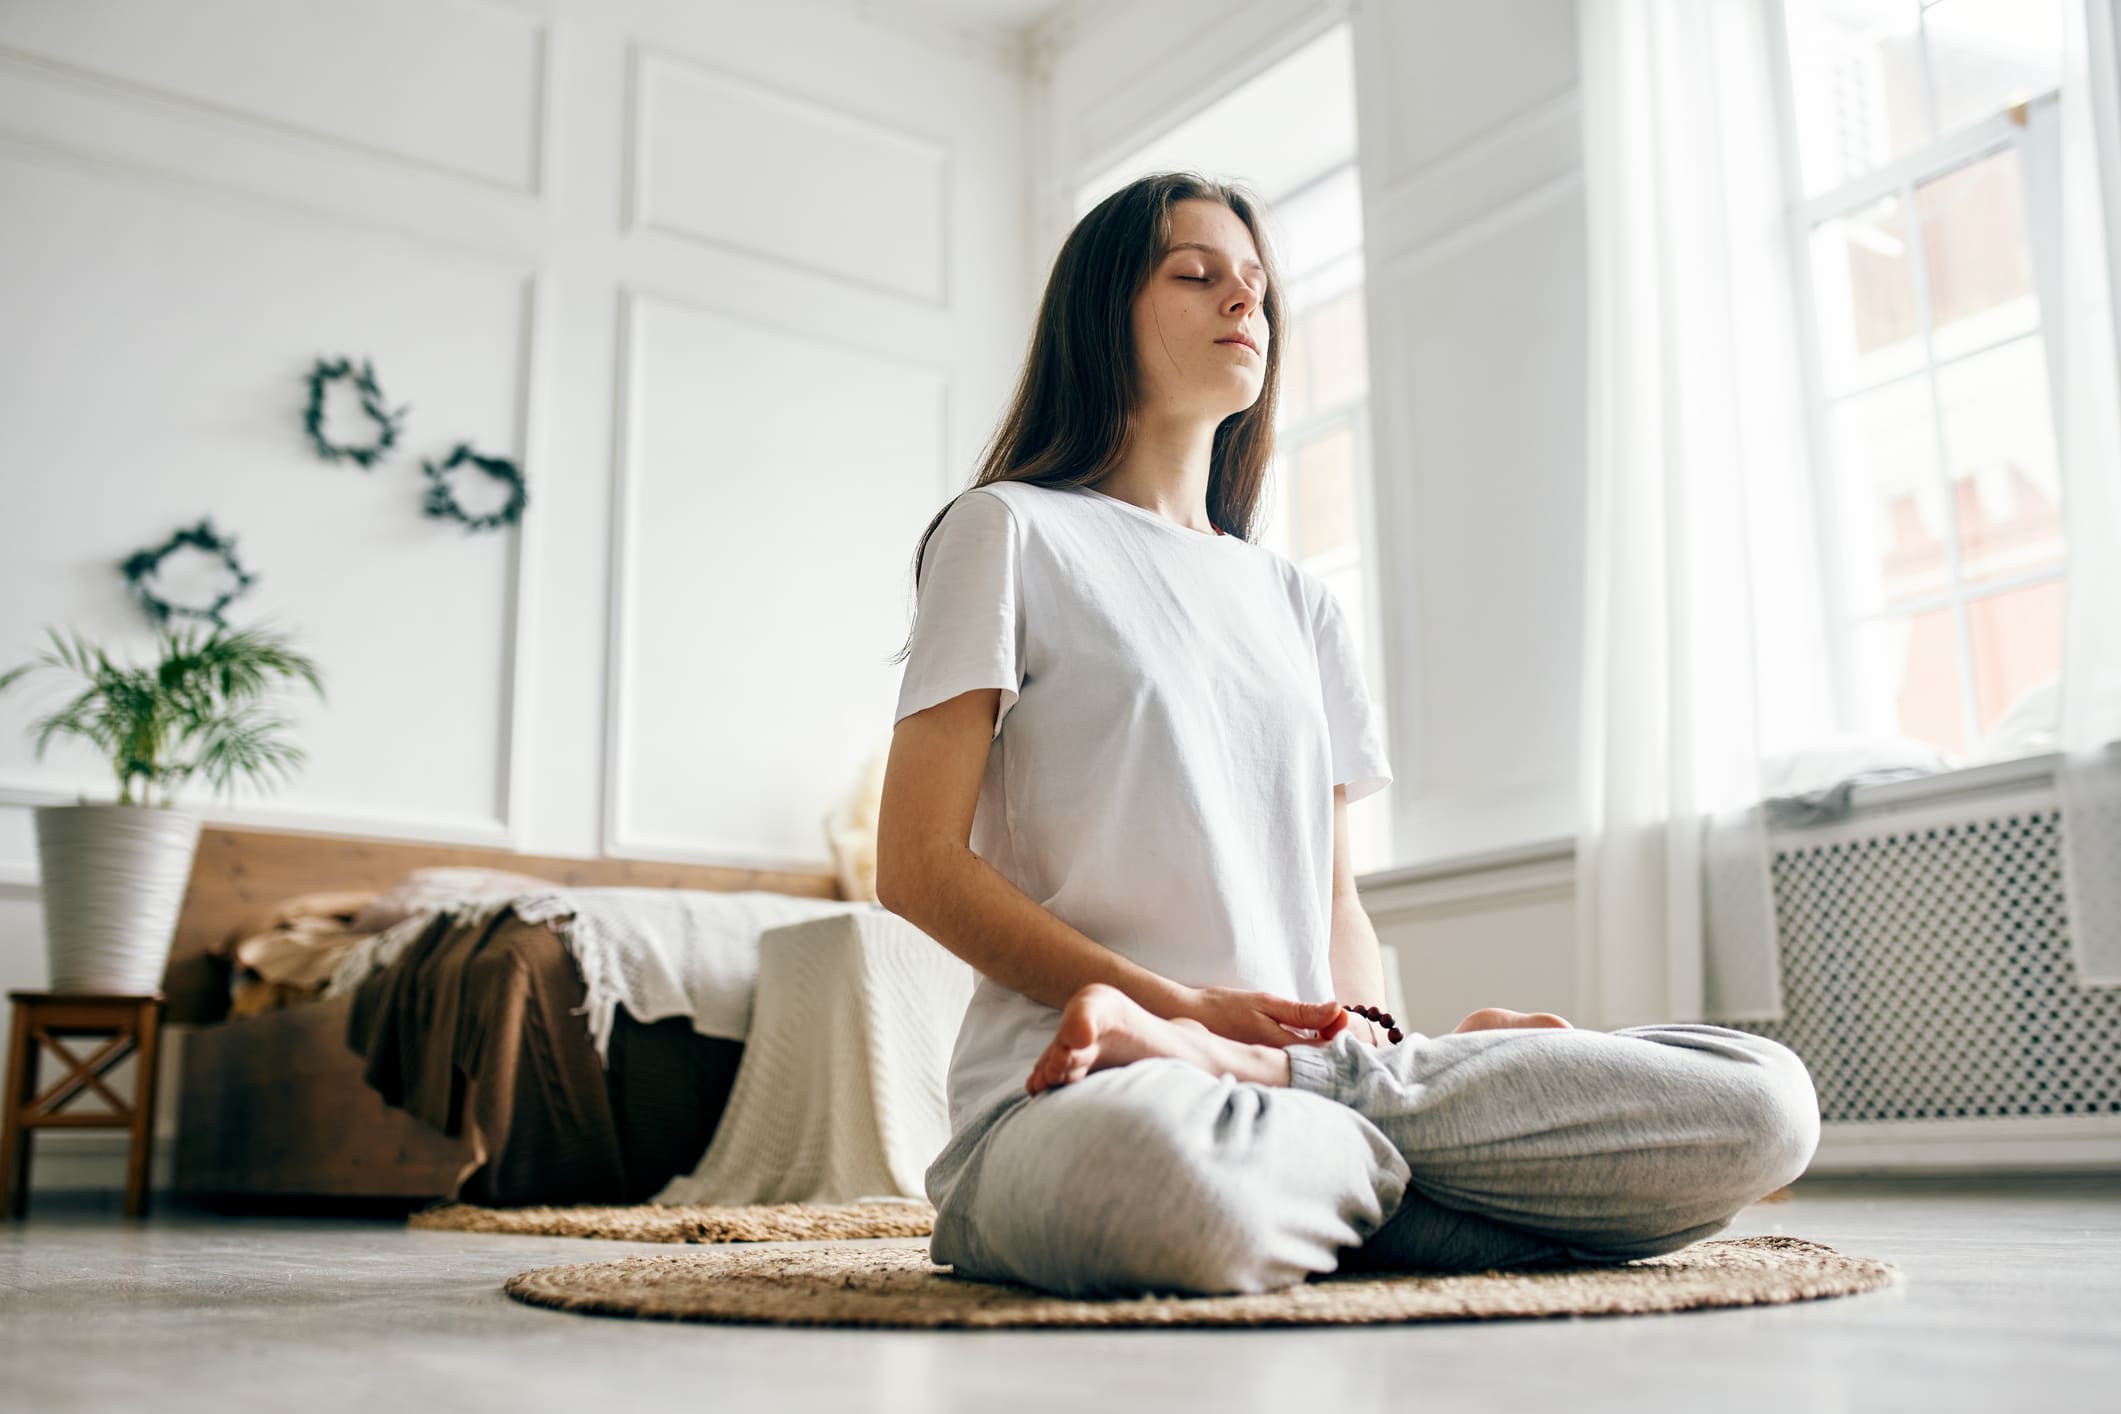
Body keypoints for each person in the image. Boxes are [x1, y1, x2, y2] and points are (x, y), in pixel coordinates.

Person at [875, 171, 1820, 1300]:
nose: (1244, 303)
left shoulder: (1297, 601)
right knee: (1167, 1188)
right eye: (1198, 275)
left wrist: (1365, 1036)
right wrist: (1172, 1010)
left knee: (1764, 1101)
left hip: (1302, 1083)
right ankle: (1426, 1183)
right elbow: (918, 866)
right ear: (1101, 312)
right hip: (1084, 1102)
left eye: (1259, 289)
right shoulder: (1009, 532)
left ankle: (1338, 1134)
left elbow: (1335, 905)